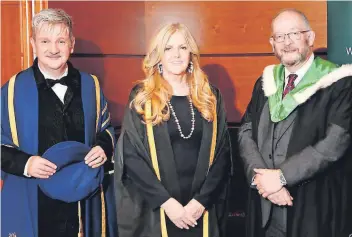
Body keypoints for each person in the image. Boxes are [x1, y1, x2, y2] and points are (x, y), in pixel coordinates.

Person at [1, 8, 117, 237]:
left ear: (71, 44)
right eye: (45, 41)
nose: (53, 49)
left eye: (61, 41)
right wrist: (27, 164)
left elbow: (106, 130)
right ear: (33, 43)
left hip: (81, 199)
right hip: (32, 197)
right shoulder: (11, 91)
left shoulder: (90, 86)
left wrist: (102, 148)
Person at [238, 8, 352, 237]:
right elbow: (245, 132)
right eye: (279, 36)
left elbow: (334, 144)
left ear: (310, 37)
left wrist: (280, 178)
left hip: (312, 205)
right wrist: (262, 179)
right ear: (272, 43)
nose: (286, 42)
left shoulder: (340, 83)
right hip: (264, 207)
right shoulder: (266, 82)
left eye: (293, 34)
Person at [114, 23, 232, 237]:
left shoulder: (210, 96)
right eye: (168, 48)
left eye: (182, 47)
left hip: (201, 209)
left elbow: (223, 154)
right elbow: (131, 156)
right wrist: (167, 204)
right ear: (158, 55)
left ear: (191, 53)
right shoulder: (143, 98)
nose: (176, 55)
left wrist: (201, 201)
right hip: (157, 209)